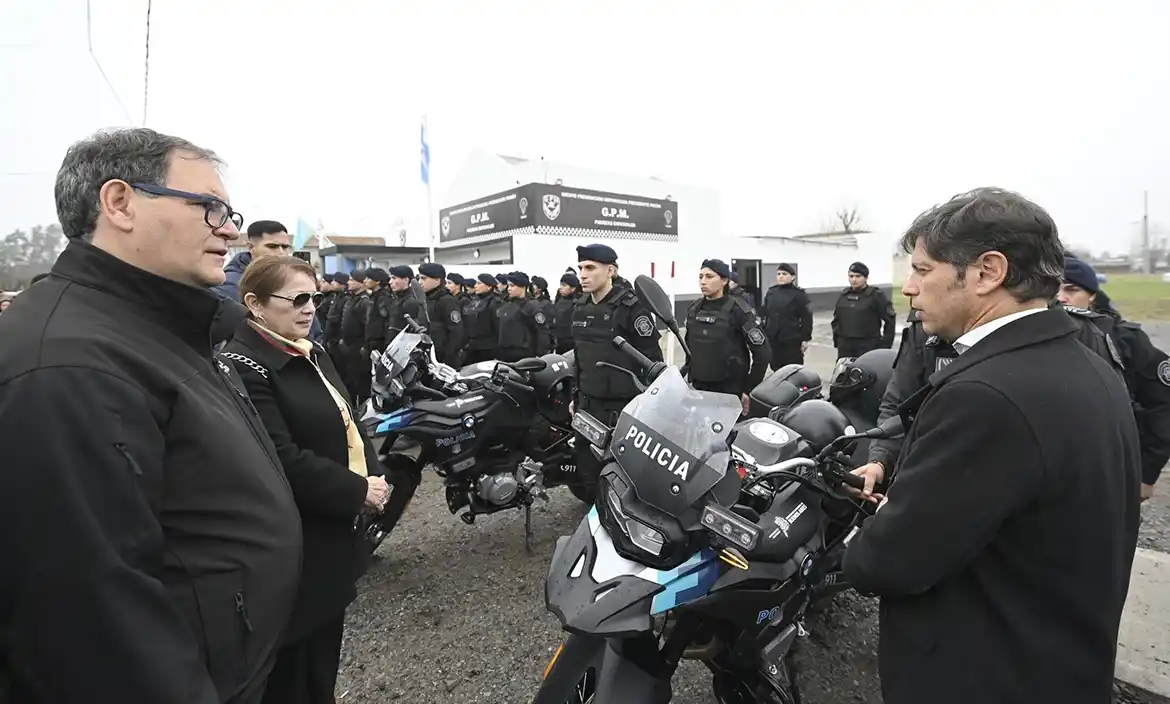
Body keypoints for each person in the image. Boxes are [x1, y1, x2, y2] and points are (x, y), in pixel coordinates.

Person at [0, 127, 302, 703]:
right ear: (120, 204)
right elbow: (93, 629)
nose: (231, 229)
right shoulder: (68, 365)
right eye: (210, 208)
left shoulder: (157, 326)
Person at [841, 187, 1141, 704]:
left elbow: (887, 562)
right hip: (1060, 664)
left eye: (924, 269)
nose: (909, 288)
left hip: (984, 674)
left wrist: (876, 529)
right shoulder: (1088, 364)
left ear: (987, 272)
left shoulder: (985, 395)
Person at [220, 256, 388, 704]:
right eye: (297, 299)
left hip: (332, 534)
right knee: (293, 673)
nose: (310, 308)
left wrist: (372, 472)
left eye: (313, 297)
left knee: (321, 666)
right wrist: (358, 490)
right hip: (295, 544)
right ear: (254, 304)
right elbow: (281, 458)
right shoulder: (244, 365)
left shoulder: (308, 351)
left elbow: (348, 418)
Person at [1059, 255, 1170, 502]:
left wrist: (1147, 473)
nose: (1061, 297)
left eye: (1071, 289)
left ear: (1092, 296)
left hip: (1110, 471)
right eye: (1053, 289)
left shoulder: (1123, 340)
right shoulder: (1025, 336)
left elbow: (1162, 403)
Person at [572, 244, 664, 501]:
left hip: (622, 410)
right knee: (588, 473)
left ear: (610, 270)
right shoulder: (580, 307)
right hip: (588, 407)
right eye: (581, 268)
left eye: (590, 268)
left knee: (622, 479)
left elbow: (653, 362)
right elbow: (579, 358)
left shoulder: (631, 308)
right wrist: (575, 397)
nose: (583, 274)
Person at [684, 259, 771, 413]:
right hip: (699, 391)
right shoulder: (694, 310)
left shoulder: (738, 310)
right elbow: (690, 349)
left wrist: (749, 389)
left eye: (709, 277)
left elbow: (763, 352)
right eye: (701, 277)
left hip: (729, 394)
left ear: (724, 280)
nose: (703, 282)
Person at [831, 261, 896, 359]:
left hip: (868, 345)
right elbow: (837, 319)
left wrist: (884, 346)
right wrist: (838, 341)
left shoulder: (876, 295)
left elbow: (890, 320)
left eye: (858, 276)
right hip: (845, 346)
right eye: (851, 276)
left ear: (866, 278)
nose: (854, 280)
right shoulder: (844, 295)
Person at [762, 263, 813, 368]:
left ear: (793, 277)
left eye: (784, 274)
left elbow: (806, 317)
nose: (781, 276)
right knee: (775, 365)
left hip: (791, 338)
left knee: (792, 368)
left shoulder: (799, 295)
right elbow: (765, 313)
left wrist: (805, 338)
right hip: (773, 337)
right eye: (778, 274)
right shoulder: (771, 292)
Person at [496, 271, 550, 362]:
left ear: (522, 287)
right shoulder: (506, 305)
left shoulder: (531, 306)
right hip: (505, 353)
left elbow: (542, 331)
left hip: (524, 353)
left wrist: (541, 354)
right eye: (508, 286)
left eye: (512, 286)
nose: (509, 289)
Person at [419, 262, 466, 365]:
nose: (420, 282)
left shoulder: (447, 301)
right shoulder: (426, 299)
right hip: (428, 355)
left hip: (442, 360)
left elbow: (456, 332)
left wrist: (447, 359)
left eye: (424, 278)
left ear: (437, 280)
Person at [338, 270, 371, 404]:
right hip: (348, 347)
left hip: (358, 348)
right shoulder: (352, 299)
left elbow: (368, 326)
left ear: (361, 282)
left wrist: (364, 347)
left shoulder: (365, 301)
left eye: (352, 280)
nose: (348, 282)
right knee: (350, 382)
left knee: (361, 384)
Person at [464, 273, 502, 364]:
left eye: (479, 283)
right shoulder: (474, 301)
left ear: (489, 287)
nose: (475, 286)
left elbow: (498, 327)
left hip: (487, 348)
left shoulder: (495, 303)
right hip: (472, 345)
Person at [383, 265, 424, 341]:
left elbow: (411, 333)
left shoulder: (410, 302)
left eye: (394, 278)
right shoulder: (397, 299)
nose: (390, 282)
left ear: (406, 280)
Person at [362, 267, 391, 357]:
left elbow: (381, 322)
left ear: (377, 281)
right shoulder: (374, 296)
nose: (365, 281)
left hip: (379, 343)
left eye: (368, 278)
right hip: (372, 342)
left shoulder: (383, 298)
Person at [553, 272, 582, 354]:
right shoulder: (559, 302)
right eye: (560, 285)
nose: (561, 288)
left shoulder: (577, 303)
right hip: (559, 341)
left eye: (564, 285)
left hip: (571, 343)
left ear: (573, 288)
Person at [530, 275, 557, 354]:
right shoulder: (530, 302)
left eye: (534, 285)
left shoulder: (546, 304)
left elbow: (548, 326)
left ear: (539, 289)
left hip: (543, 342)